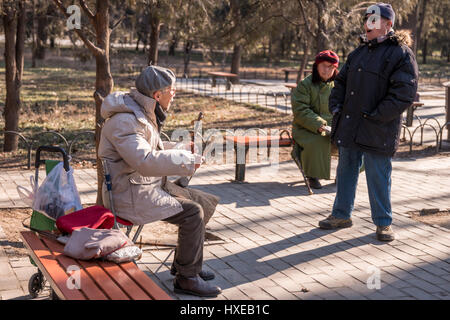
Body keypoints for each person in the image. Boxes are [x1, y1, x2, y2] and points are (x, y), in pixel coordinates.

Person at [98, 65, 222, 297]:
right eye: (171, 91)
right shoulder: (126, 121)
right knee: (193, 213)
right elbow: (144, 160)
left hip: (144, 186)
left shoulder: (139, 113)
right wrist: (184, 159)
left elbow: (149, 148)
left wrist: (182, 148)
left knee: (202, 202)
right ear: (157, 95)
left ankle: (185, 264)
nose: (174, 95)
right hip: (129, 196)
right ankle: (186, 279)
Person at [319, 3, 419, 241]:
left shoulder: (401, 54)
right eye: (367, 19)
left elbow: (404, 93)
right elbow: (340, 83)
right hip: (350, 125)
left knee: (378, 175)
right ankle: (341, 214)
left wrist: (376, 115)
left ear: (388, 24)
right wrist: (336, 107)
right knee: (345, 171)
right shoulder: (358, 53)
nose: (368, 23)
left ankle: (384, 223)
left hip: (378, 128)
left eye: (375, 19)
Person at [291, 50, 339, 189]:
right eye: (324, 65)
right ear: (316, 66)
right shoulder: (305, 84)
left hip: (334, 126)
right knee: (319, 140)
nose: (327, 69)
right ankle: (312, 175)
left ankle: (344, 173)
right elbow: (300, 110)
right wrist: (320, 125)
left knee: (356, 141)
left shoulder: (339, 85)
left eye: (331, 66)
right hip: (306, 127)